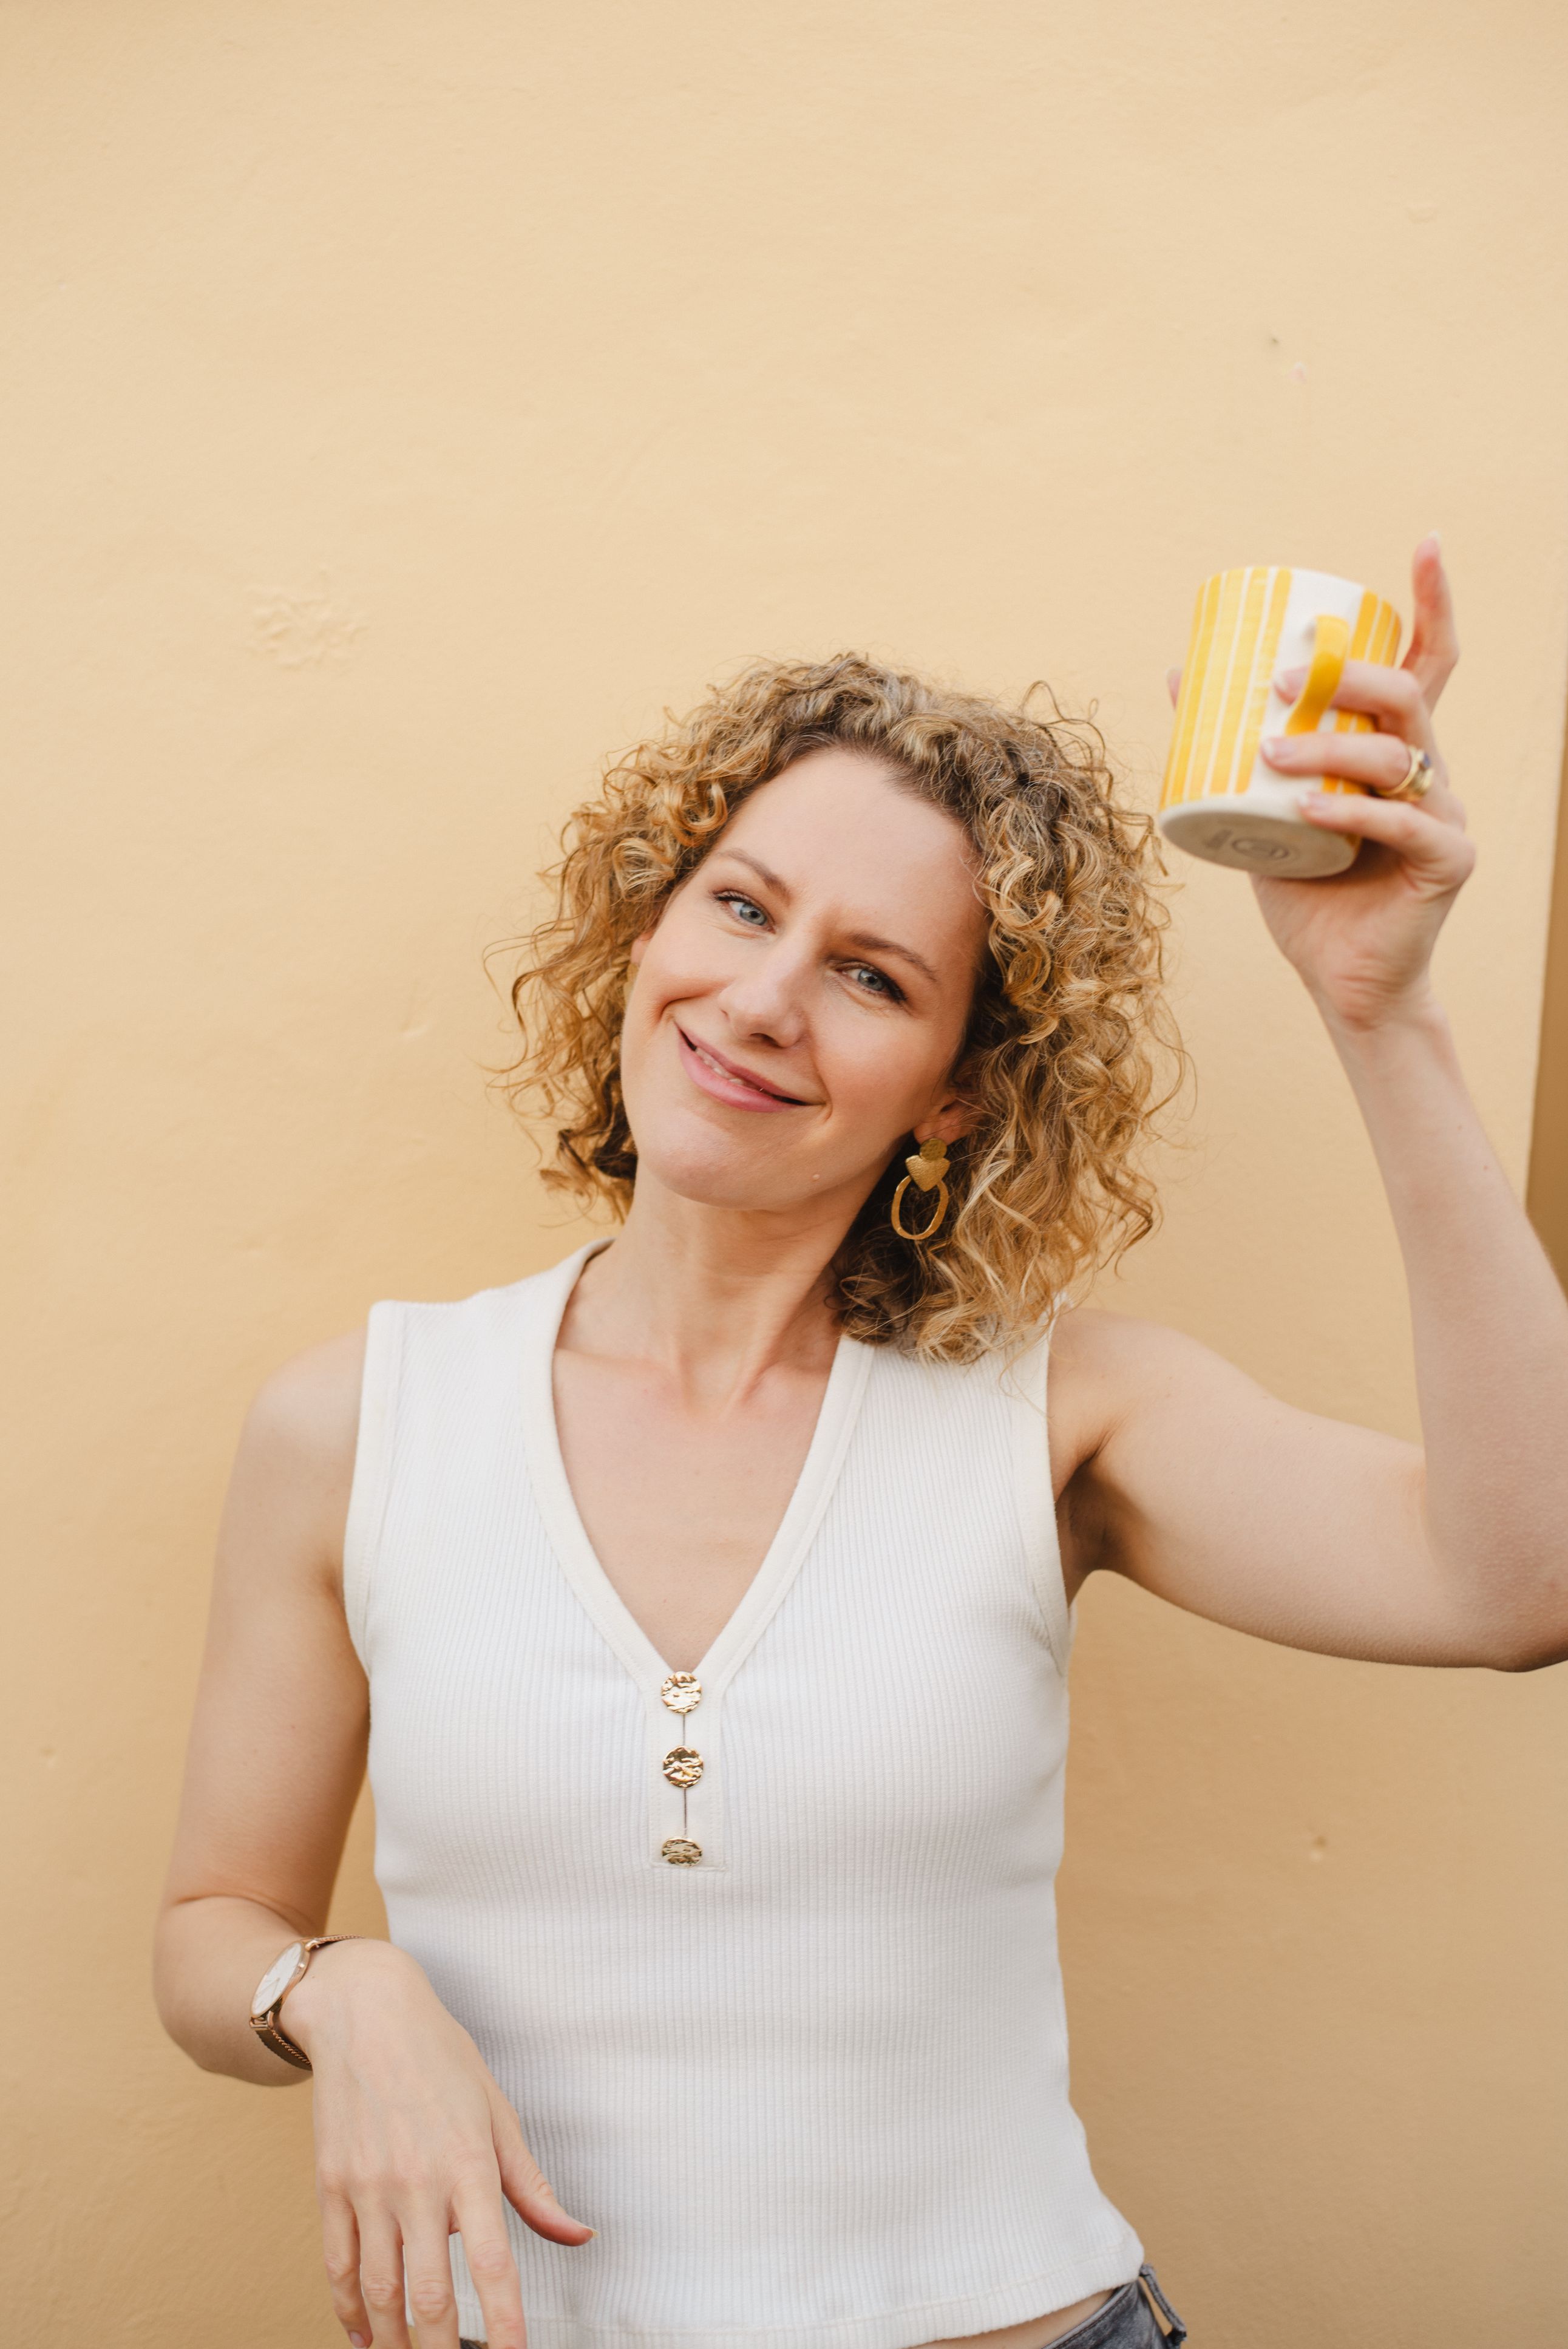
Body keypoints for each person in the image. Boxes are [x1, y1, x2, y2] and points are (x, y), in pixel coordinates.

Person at [155, 539, 1568, 2349]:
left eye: (875, 979)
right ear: (649, 930)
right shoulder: (360, 1422)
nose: (764, 999)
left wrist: (1383, 1010)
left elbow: (1520, 1581)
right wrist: (337, 1990)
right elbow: (213, 1922)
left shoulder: (1065, 1417)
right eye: (741, 908)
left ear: (960, 1089)